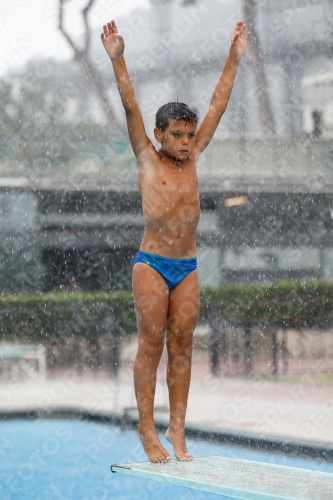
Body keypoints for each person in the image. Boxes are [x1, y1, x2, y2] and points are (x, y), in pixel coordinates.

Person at [101, 19, 250, 463]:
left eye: (189, 135)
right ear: (160, 135)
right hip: (151, 264)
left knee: (183, 345)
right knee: (151, 342)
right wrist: (119, 58)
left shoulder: (195, 155)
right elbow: (130, 106)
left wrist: (234, 58)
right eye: (178, 136)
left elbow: (218, 106)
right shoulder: (147, 157)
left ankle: (177, 427)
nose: (186, 143)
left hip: (186, 266)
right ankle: (147, 428)